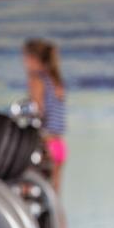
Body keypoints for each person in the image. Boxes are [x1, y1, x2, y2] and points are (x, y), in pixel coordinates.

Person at [23, 39, 67, 193]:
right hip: (60, 145)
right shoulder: (56, 80)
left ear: (33, 59)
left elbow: (36, 110)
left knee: (26, 189)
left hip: (45, 145)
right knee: (53, 197)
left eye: (25, 58)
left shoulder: (36, 80)